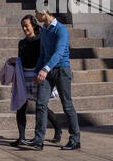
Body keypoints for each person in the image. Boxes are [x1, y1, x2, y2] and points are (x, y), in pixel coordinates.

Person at [22, 8, 82, 151]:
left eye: (37, 13)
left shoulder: (61, 30)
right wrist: (37, 71)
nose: (36, 16)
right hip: (46, 71)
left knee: (67, 105)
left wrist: (45, 69)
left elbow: (59, 52)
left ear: (44, 12)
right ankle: (38, 140)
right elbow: (42, 54)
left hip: (62, 70)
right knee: (41, 103)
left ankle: (75, 139)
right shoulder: (44, 30)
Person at [11, 15, 62, 147]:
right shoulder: (21, 43)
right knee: (21, 106)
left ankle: (58, 129)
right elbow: (21, 59)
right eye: (22, 26)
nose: (24, 28)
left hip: (38, 75)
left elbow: (45, 56)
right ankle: (21, 138)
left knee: (41, 106)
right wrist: (15, 61)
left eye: (26, 26)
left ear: (33, 25)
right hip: (24, 76)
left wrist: (45, 72)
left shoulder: (41, 40)